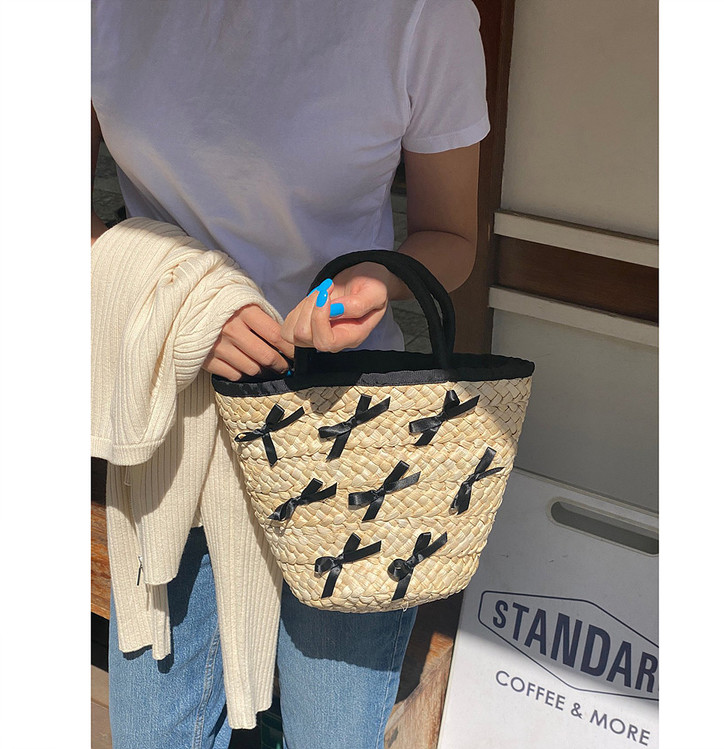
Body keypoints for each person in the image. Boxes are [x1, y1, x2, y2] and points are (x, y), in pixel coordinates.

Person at [91, 1, 490, 747]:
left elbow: (452, 236)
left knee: (331, 730)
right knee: (154, 731)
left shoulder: (421, 16)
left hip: (351, 426)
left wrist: (375, 281)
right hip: (177, 412)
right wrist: (183, 302)